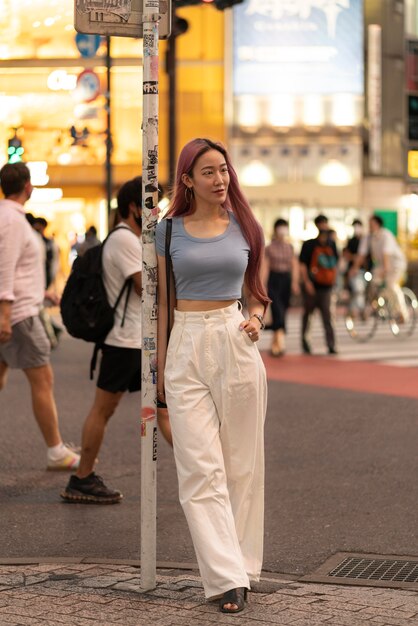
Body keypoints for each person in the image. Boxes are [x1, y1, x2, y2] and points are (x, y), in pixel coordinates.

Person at [156, 138, 268, 614]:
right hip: (185, 344)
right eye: (208, 172)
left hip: (234, 338)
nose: (220, 179)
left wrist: (257, 319)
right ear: (187, 180)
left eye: (223, 170)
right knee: (200, 469)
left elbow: (257, 293)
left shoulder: (245, 225)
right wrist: (159, 379)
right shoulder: (166, 231)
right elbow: (162, 306)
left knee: (241, 465)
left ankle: (242, 566)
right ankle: (226, 579)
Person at [61, 177, 146, 504]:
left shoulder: (130, 238)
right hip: (125, 342)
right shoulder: (126, 240)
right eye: (149, 203)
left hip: (131, 341)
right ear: (132, 207)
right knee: (103, 410)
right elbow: (145, 288)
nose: (155, 211)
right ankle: (81, 477)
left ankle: (82, 476)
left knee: (164, 408)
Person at [0, 163, 80, 470]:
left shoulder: (10, 218)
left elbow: (16, 268)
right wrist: (6, 313)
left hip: (17, 307)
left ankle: (56, 449)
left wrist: (42, 293)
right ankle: (56, 451)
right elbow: (6, 266)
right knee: (43, 379)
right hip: (18, 315)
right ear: (28, 187)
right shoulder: (12, 220)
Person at [353, 214, 408, 320]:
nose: (369, 226)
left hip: (396, 264)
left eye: (372, 224)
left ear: (378, 224)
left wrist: (386, 269)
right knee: (372, 284)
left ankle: (402, 313)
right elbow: (361, 254)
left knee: (391, 285)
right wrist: (354, 268)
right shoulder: (368, 237)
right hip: (382, 265)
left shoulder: (386, 235)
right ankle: (371, 308)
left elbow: (386, 253)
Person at [299, 214, 339, 355]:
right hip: (312, 286)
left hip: (326, 287)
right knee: (308, 315)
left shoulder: (332, 245)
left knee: (327, 317)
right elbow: (302, 265)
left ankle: (331, 345)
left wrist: (334, 281)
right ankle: (305, 342)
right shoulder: (309, 244)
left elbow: (335, 265)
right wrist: (306, 282)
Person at [263, 218, 299, 356]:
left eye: (285, 227)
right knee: (277, 309)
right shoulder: (269, 248)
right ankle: (280, 342)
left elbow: (294, 265)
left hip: (286, 280)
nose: (282, 230)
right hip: (273, 279)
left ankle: (276, 341)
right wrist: (263, 285)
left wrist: (295, 283)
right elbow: (265, 267)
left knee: (284, 310)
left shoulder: (290, 247)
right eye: (280, 227)